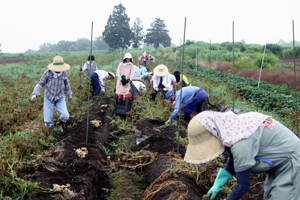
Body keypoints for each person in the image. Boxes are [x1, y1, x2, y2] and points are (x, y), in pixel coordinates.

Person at [184, 111, 300, 200]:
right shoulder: (235, 128)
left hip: (292, 163)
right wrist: (219, 183)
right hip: (279, 164)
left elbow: (243, 185)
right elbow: (235, 159)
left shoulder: (241, 142)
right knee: (270, 194)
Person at [31, 56, 72, 137]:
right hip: (49, 98)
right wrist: (35, 94)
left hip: (60, 97)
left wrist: (69, 94)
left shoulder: (64, 73)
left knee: (65, 115)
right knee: (48, 118)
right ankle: (51, 135)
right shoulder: (47, 73)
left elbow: (67, 85)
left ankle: (59, 124)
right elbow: (41, 84)